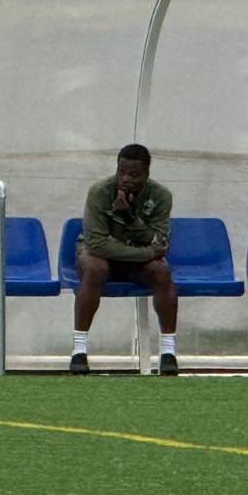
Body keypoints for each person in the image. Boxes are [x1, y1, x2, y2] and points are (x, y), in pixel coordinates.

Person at [68, 144, 178, 376]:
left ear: (146, 175)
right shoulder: (99, 192)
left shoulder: (161, 196)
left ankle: (168, 352)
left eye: (134, 175)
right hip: (103, 254)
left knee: (162, 272)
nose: (126, 179)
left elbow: (159, 240)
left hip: (134, 258)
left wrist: (129, 216)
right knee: (94, 266)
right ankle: (79, 350)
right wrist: (147, 253)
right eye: (122, 173)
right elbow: (98, 244)